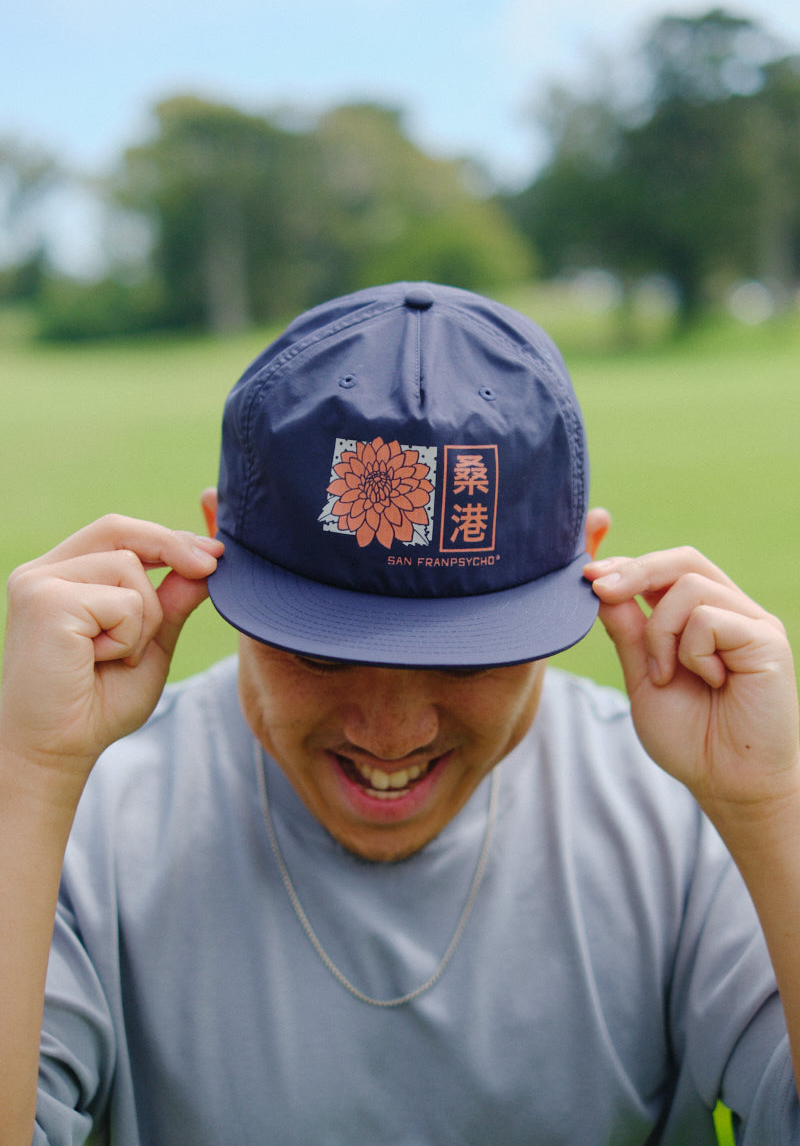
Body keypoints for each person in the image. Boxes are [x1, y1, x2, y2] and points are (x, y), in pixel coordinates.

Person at [1, 280, 798, 1146]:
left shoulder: (686, 823)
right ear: (215, 549)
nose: (392, 730)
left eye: (468, 657)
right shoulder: (82, 827)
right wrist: (31, 774)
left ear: (586, 570)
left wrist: (771, 809)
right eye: (320, 648)